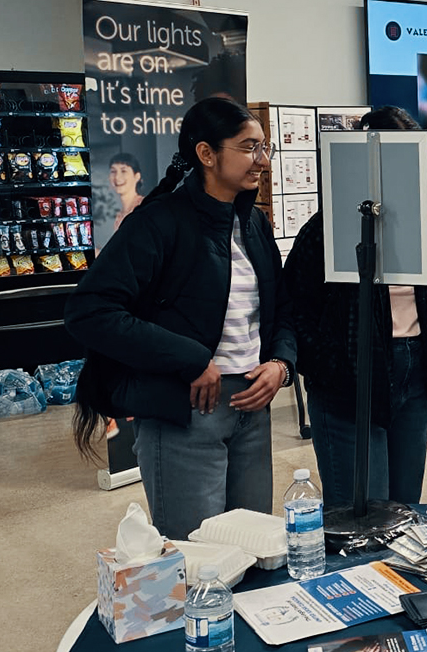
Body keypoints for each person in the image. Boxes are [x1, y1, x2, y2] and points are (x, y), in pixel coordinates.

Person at [67, 98, 296, 541]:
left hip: (252, 407)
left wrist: (282, 364)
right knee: (197, 560)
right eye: (249, 148)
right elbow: (89, 311)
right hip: (185, 412)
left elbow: (281, 308)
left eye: (265, 148)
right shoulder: (157, 223)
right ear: (207, 154)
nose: (262, 161)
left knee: (254, 549)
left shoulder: (253, 225)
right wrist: (190, 359)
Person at [285, 106, 427, 507]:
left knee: (403, 508)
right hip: (350, 375)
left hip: (414, 368)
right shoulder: (326, 229)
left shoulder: (424, 225)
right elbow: (296, 305)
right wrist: (328, 365)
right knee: (360, 514)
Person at [109, 151, 144, 229]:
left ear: (137, 176)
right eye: (113, 171)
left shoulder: (144, 207)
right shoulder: (119, 216)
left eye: (123, 171)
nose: (117, 177)